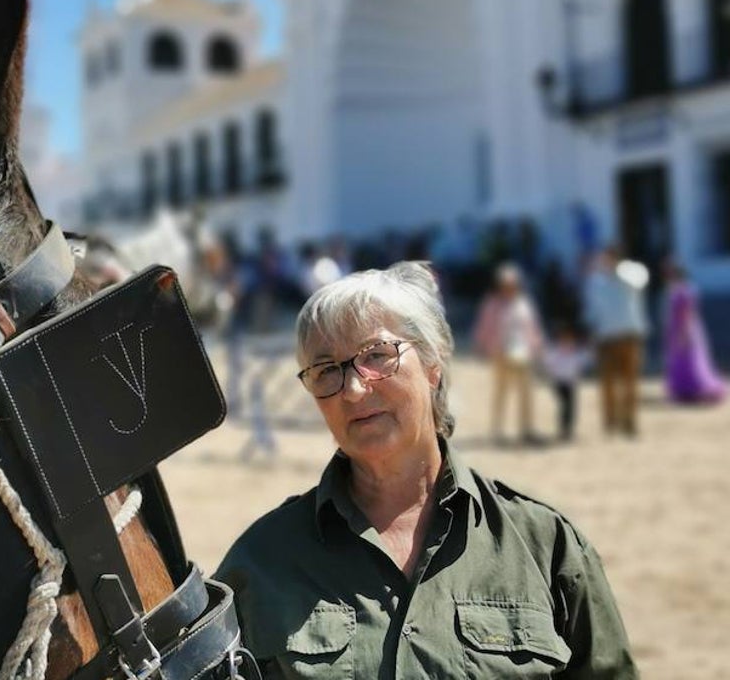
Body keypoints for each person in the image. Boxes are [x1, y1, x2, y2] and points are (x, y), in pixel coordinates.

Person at [215, 262, 636, 679]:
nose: (355, 389)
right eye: (327, 371)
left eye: (377, 356)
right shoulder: (259, 563)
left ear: (433, 365)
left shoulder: (546, 548)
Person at [471, 263, 545, 444]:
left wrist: (537, 346)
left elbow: (532, 327)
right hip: (501, 352)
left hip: (523, 352)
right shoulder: (492, 304)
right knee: (501, 391)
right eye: (506, 284)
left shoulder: (523, 303)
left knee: (526, 391)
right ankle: (498, 431)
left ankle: (526, 429)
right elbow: (484, 326)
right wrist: (481, 345)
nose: (509, 288)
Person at [583, 245, 649, 436]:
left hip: (629, 335)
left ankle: (630, 421)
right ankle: (610, 422)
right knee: (608, 383)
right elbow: (592, 309)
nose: (607, 262)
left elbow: (640, 282)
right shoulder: (596, 281)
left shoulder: (632, 274)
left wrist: (619, 269)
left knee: (630, 382)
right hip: (605, 337)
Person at [663, 261, 725, 404]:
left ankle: (694, 389)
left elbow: (687, 313)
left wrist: (684, 332)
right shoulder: (678, 288)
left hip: (684, 328)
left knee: (688, 359)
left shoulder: (683, 290)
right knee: (682, 359)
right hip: (679, 327)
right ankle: (684, 390)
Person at [542, 323, 591, 441]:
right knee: (565, 406)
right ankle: (563, 429)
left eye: (569, 339)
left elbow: (587, 359)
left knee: (572, 407)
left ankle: (569, 430)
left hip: (571, 384)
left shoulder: (576, 353)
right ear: (558, 339)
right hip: (558, 383)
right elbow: (546, 362)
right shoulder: (555, 352)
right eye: (563, 339)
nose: (567, 341)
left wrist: (588, 346)